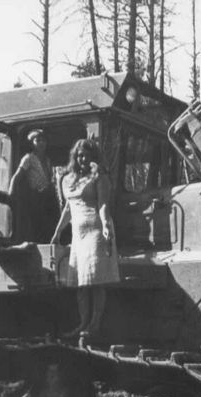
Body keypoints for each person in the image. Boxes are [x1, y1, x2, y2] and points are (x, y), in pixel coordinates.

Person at [51, 139, 120, 346]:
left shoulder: (99, 177)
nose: (83, 159)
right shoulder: (68, 179)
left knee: (96, 281)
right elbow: (68, 208)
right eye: (80, 155)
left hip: (96, 231)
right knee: (82, 283)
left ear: (93, 157)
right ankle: (83, 323)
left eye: (87, 155)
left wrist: (106, 225)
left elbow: (103, 205)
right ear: (75, 156)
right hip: (78, 236)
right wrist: (57, 232)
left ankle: (94, 324)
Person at [8, 129, 59, 243]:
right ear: (32, 143)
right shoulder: (29, 158)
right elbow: (17, 176)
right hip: (36, 196)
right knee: (38, 224)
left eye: (43, 140)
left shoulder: (47, 160)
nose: (41, 143)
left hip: (47, 196)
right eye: (38, 140)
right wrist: (10, 194)